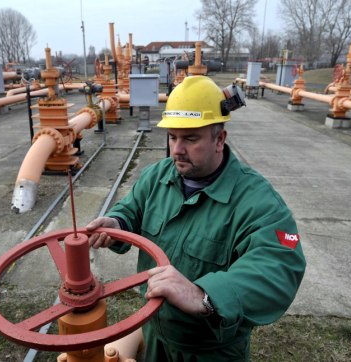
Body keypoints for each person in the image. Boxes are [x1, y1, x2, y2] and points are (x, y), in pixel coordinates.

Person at [86, 75, 306, 361]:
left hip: (210, 351)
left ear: (219, 139)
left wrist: (203, 295)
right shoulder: (158, 176)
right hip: (155, 336)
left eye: (190, 138)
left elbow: (278, 270)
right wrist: (117, 222)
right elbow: (133, 208)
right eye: (173, 136)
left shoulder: (258, 203)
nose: (177, 149)